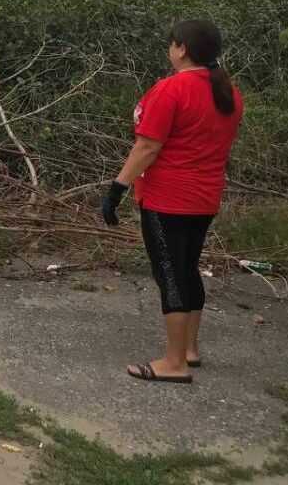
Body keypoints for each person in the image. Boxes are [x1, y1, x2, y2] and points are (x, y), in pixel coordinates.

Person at [101, 19, 243, 384]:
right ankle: (190, 349)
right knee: (187, 266)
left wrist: (117, 188)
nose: (170, 49)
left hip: (169, 199)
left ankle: (173, 363)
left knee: (169, 273)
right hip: (204, 197)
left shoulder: (172, 89)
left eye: (172, 44)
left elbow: (148, 145)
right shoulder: (228, 92)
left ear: (181, 48)